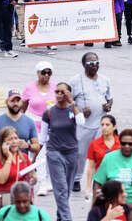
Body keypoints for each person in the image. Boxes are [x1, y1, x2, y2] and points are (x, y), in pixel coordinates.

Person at [71, 52, 115, 191]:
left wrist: (108, 105)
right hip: (83, 125)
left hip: (100, 125)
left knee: (102, 153)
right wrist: (79, 111)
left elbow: (110, 98)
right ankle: (76, 179)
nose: (94, 65)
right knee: (80, 153)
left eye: (96, 62)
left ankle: (99, 180)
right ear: (84, 65)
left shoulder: (105, 80)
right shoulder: (75, 81)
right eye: (90, 63)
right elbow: (68, 103)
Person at [42, 82, 85, 221]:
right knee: (60, 189)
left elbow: (81, 122)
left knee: (66, 190)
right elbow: (42, 137)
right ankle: (67, 218)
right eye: (57, 92)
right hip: (54, 152)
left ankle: (61, 217)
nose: (59, 94)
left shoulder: (73, 110)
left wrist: (72, 102)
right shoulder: (49, 112)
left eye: (63, 92)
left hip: (71, 153)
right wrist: (35, 154)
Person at [93, 128, 132, 208]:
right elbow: (98, 184)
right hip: (113, 207)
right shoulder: (108, 158)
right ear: (119, 143)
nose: (127, 146)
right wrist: (94, 208)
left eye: (130, 144)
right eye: (123, 144)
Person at [0, 90, 41, 172]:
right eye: (12, 101)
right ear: (6, 102)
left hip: (22, 167)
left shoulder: (29, 122)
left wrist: (27, 146)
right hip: (3, 167)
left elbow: (37, 147)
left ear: (22, 102)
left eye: (18, 100)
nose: (15, 103)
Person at [83, 116, 120, 202]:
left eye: (107, 125)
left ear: (114, 127)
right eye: (102, 125)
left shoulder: (121, 143)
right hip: (100, 182)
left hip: (117, 181)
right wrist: (88, 187)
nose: (104, 127)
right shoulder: (94, 144)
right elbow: (91, 167)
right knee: (99, 210)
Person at [0, 126, 35, 194]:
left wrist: (33, 178)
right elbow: (1, 180)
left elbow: (34, 178)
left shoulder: (24, 157)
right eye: (10, 139)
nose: (14, 142)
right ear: (3, 143)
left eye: (16, 138)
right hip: (5, 198)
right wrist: (9, 157)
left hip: (22, 197)